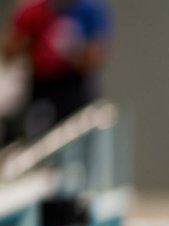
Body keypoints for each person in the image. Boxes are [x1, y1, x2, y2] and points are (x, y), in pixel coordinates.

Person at [2, 0, 109, 138]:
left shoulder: (89, 9)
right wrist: (29, 39)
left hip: (75, 86)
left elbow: (95, 58)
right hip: (41, 87)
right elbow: (8, 51)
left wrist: (73, 49)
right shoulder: (33, 10)